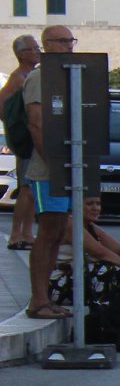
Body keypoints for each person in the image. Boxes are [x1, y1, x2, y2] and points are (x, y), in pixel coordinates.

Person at [21, 24, 77, 321]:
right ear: (47, 45)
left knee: (57, 234)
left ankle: (46, 298)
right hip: (47, 170)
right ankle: (37, 300)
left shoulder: (65, 76)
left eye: (71, 40)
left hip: (65, 168)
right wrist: (54, 162)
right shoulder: (40, 77)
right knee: (47, 233)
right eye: (62, 41)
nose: (69, 45)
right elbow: (36, 123)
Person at [3, 33, 40, 251]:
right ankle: (18, 233)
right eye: (34, 48)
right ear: (21, 53)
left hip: (28, 139)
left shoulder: (29, 75)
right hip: (27, 140)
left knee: (30, 188)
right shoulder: (19, 78)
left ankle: (26, 232)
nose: (38, 51)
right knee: (26, 188)